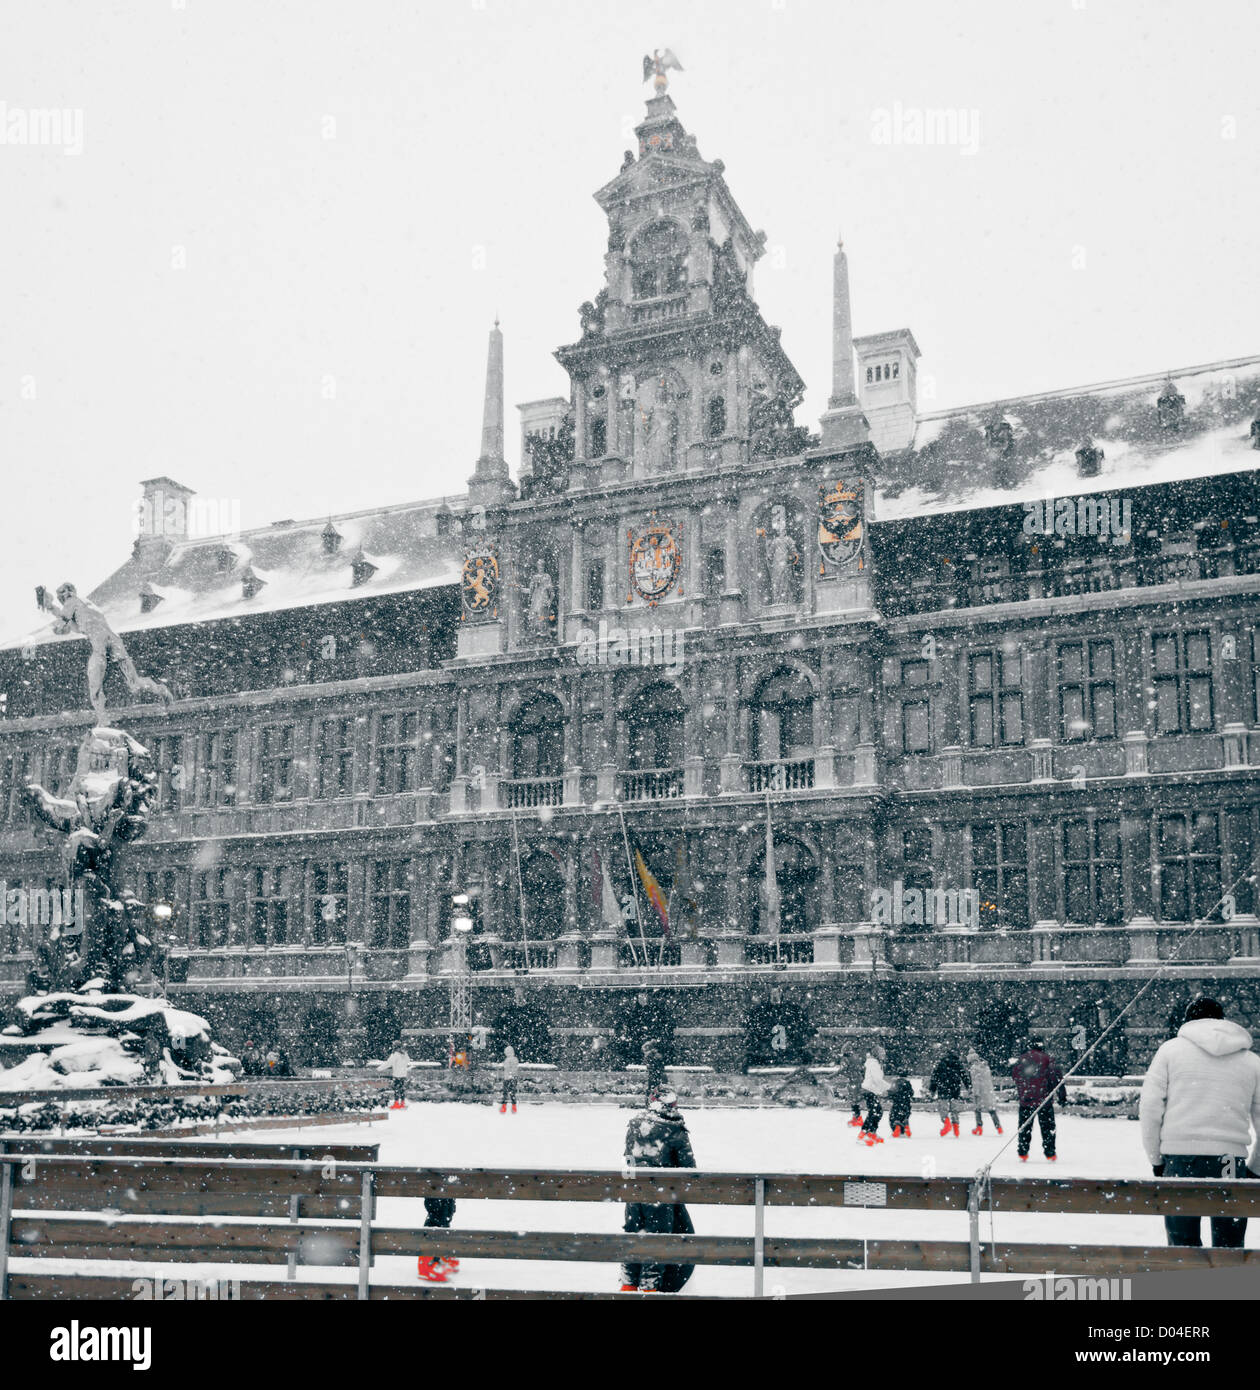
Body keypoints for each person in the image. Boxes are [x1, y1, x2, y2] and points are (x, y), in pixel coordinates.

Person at [1139, 996, 1260, 1249]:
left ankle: (1187, 1286)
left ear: (1188, 1019)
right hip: (1229, 1159)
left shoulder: (1170, 1051)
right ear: (1222, 1021)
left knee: (1183, 1244)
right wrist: (1255, 1168)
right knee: (1229, 1245)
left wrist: (1156, 1159)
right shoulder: (1251, 1061)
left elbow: (1150, 1108)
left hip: (1181, 1158)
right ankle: (1226, 1286)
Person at [36, 581, 174, 718]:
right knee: (134, 683)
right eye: (62, 593)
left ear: (70, 592)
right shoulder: (84, 606)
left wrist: (49, 607)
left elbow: (64, 622)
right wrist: (53, 612)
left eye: (65, 592)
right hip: (113, 642)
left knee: (95, 686)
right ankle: (160, 689)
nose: (65, 595)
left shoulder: (73, 601)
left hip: (100, 646)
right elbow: (72, 625)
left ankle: (102, 718)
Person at [619, 1090, 696, 1293]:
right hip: (662, 1194)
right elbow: (689, 1169)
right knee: (658, 1239)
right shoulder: (674, 1128)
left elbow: (628, 1159)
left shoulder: (635, 1125)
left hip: (634, 1192)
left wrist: (632, 1184)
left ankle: (628, 1285)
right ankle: (650, 1290)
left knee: (633, 1234)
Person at [1012, 1037, 1065, 1162]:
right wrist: (1061, 1096)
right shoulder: (1047, 1059)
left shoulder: (1022, 1059)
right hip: (1044, 1100)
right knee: (1047, 1128)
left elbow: (1015, 1075)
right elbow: (1056, 1079)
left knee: (1025, 1126)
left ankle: (1023, 1152)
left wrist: (1024, 1088)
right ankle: (1050, 1152)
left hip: (1026, 1099)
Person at [929, 1046, 970, 1137]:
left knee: (943, 1108)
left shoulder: (940, 1063)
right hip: (955, 1088)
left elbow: (934, 1077)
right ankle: (956, 1128)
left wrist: (932, 1089)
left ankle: (946, 1123)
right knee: (954, 1109)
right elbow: (964, 1076)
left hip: (943, 1087)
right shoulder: (958, 1063)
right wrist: (968, 1086)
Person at [858, 1044, 889, 1145]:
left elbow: (876, 1080)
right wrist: (888, 1087)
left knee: (876, 1111)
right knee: (875, 1111)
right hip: (869, 1090)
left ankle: (871, 1132)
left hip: (871, 1090)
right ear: (877, 1054)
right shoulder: (874, 1064)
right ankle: (864, 1134)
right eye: (881, 1053)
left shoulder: (875, 1063)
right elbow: (877, 1080)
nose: (883, 1055)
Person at [967, 1047, 1002, 1134]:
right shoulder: (986, 1067)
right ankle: (998, 1127)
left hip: (980, 1092)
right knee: (991, 1109)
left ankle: (979, 1127)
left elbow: (976, 1082)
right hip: (988, 1091)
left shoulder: (974, 1069)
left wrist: (976, 1092)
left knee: (977, 1110)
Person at [839, 1043, 866, 1128]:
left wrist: (830, 1076)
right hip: (859, 1080)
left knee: (853, 1100)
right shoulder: (856, 1057)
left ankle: (857, 1119)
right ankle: (857, 1118)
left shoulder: (845, 1059)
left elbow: (842, 1070)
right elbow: (863, 1068)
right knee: (856, 1100)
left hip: (853, 1081)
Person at [384, 1042, 411, 1109]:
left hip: (397, 1074)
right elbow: (408, 1061)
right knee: (402, 1090)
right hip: (403, 1074)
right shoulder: (404, 1054)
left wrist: (379, 1069)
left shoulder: (395, 1054)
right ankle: (402, 1103)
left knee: (396, 1090)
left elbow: (388, 1063)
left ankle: (396, 1104)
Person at [500, 1044, 519, 1114]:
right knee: (512, 1093)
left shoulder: (507, 1060)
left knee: (505, 1093)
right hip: (514, 1077)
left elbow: (506, 1067)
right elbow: (515, 1068)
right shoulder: (515, 1059)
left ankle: (504, 1106)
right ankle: (514, 1106)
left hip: (507, 1078)